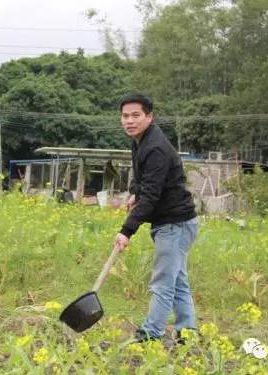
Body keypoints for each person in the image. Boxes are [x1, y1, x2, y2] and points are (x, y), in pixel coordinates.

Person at [113, 93, 198, 342]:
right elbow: (142, 179)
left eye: (136, 115)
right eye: (125, 116)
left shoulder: (156, 147)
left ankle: (151, 334)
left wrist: (126, 230)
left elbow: (151, 196)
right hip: (173, 222)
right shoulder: (139, 141)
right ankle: (188, 331)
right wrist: (133, 193)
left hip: (175, 223)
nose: (129, 121)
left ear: (149, 117)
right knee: (177, 279)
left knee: (162, 281)